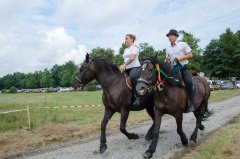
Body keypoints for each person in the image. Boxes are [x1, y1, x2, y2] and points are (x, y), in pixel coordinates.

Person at [165, 29, 195, 112]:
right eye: (168, 36)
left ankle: (191, 103)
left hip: (184, 67)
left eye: (171, 35)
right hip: (174, 69)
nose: (169, 37)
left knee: (189, 82)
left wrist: (179, 58)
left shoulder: (182, 44)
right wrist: (166, 61)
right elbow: (167, 59)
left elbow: (190, 55)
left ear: (175, 36)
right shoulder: (167, 48)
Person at [119, 34, 141, 107]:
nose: (125, 40)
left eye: (127, 39)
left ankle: (138, 97)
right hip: (126, 68)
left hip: (135, 67)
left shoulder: (135, 47)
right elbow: (125, 59)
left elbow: (132, 58)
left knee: (133, 77)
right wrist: (122, 67)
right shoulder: (126, 49)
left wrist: (124, 65)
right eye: (125, 39)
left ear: (132, 39)